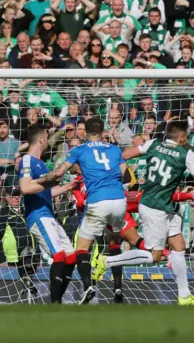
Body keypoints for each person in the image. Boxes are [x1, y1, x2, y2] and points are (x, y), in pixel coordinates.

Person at [92, 120, 194, 305]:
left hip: (160, 204)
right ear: (181, 138)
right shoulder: (186, 154)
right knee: (154, 256)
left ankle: (185, 296)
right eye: (186, 138)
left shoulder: (153, 144)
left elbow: (124, 154)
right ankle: (106, 262)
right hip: (155, 207)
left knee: (178, 245)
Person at [47, 117, 127, 304]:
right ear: (103, 131)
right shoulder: (116, 150)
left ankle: (88, 285)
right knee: (114, 243)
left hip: (98, 200)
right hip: (118, 200)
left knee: (82, 247)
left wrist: (47, 179)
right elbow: (127, 175)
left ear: (85, 132)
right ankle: (117, 288)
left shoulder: (79, 150)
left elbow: (60, 171)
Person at [18, 124, 77, 304]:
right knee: (58, 255)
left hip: (49, 215)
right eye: (47, 136)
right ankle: (55, 303)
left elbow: (45, 191)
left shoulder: (42, 163)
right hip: (38, 215)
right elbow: (26, 188)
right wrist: (48, 180)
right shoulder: (27, 160)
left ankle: (57, 298)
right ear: (42, 139)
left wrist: (67, 186)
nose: (49, 140)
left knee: (71, 256)